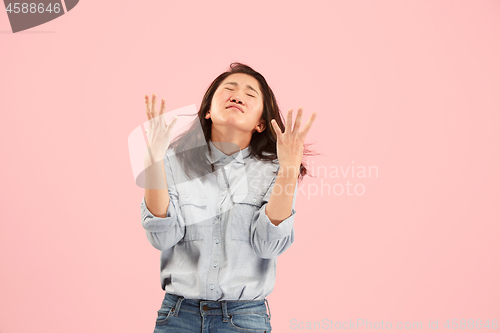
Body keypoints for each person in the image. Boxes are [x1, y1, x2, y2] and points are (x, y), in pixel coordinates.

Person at [140, 62, 317, 332]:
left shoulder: (274, 170)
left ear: (260, 123)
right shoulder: (174, 163)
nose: (237, 96)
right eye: (229, 89)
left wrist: (289, 171)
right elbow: (161, 237)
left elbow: (268, 247)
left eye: (250, 94)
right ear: (208, 111)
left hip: (243, 320)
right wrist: (154, 162)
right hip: (177, 317)